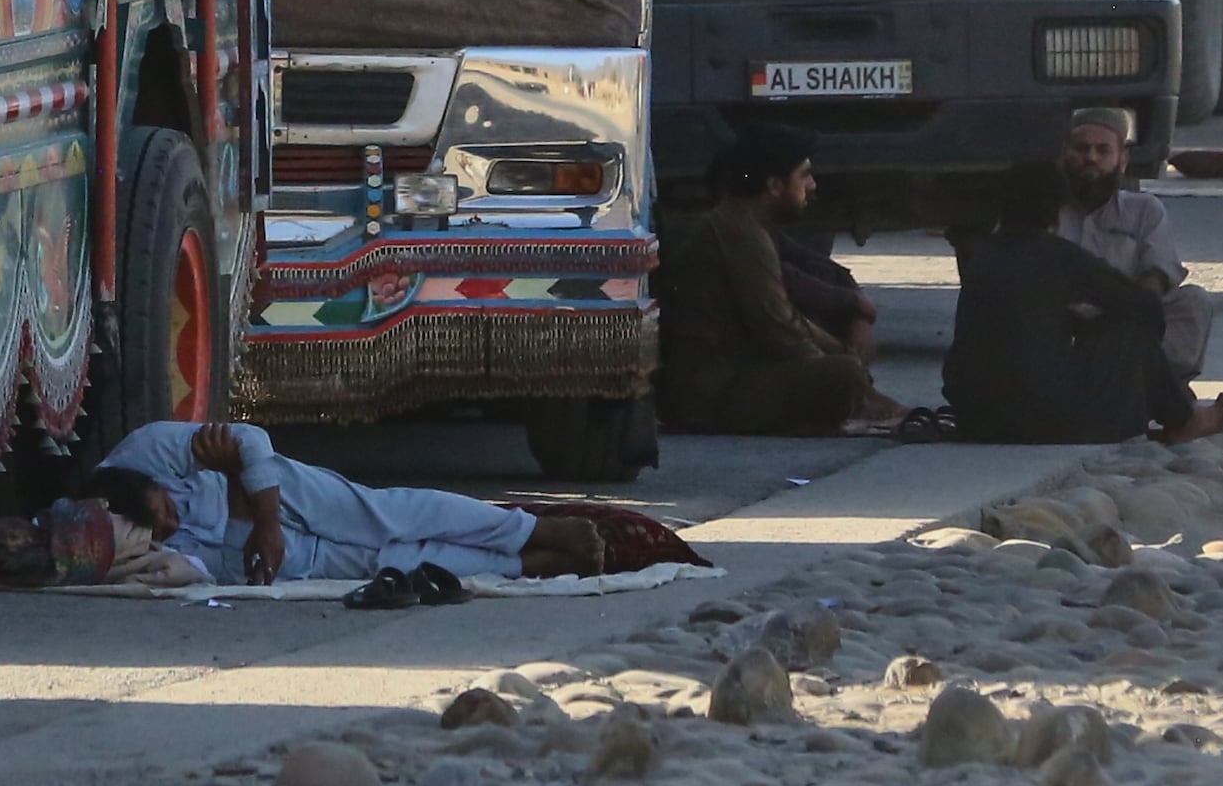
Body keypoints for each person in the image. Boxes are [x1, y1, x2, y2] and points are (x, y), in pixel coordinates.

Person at [80, 418, 606, 584]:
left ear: (136, 481)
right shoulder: (129, 542)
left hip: (279, 495)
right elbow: (212, 569)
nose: (173, 517)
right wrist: (251, 524)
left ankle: (536, 531)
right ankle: (524, 565)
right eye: (164, 525)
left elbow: (250, 440)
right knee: (386, 565)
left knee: (392, 515)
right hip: (249, 546)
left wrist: (261, 513)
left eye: (166, 505)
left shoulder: (143, 452)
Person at [946, 160, 1223, 445]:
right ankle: (1183, 418)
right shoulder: (1061, 257)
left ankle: (1173, 408)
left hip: (977, 421)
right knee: (1130, 331)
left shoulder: (981, 258)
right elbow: (1145, 308)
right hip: (1047, 423)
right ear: (1057, 211)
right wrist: (1095, 327)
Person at [651, 124, 905, 433]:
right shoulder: (740, 232)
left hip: (732, 375)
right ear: (773, 186)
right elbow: (779, 328)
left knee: (839, 356)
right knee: (842, 375)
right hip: (713, 393)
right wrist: (845, 370)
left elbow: (808, 286)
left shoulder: (750, 226)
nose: (812, 185)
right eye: (804, 175)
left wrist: (842, 340)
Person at [1058, 107, 1214, 376]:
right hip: (1061, 320)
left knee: (1193, 302)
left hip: (1127, 318)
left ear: (1122, 160)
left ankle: (1155, 386)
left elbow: (1159, 272)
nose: (1091, 158)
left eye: (1102, 150)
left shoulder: (1144, 209)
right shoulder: (1046, 209)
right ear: (1064, 156)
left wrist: (1130, 306)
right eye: (1082, 149)